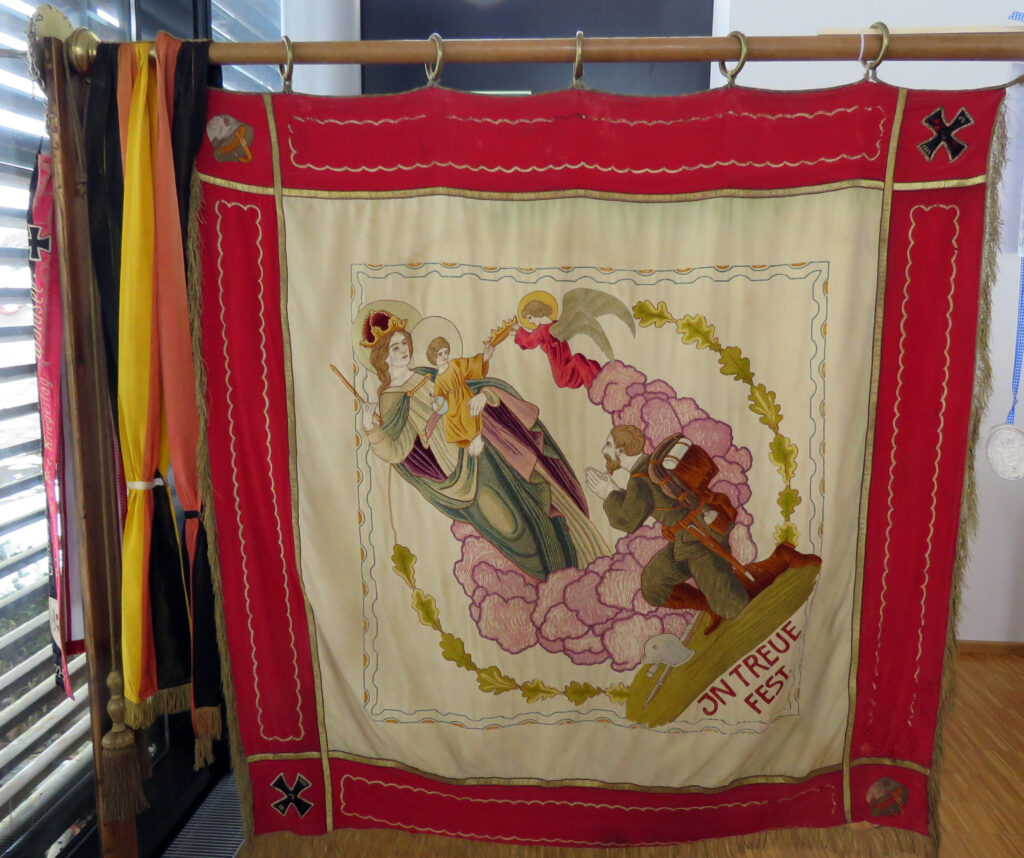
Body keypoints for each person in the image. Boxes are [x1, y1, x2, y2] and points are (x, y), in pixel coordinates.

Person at [359, 310, 608, 581]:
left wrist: (484, 395)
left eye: (404, 343)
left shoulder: (426, 373)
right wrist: (370, 428)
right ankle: (555, 578)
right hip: (461, 469)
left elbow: (469, 386)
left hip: (486, 441)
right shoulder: (392, 400)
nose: (404, 350)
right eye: (395, 347)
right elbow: (397, 450)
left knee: (534, 499)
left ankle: (572, 566)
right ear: (383, 357)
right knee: (512, 528)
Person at [425, 335, 493, 458]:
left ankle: (476, 442)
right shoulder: (439, 379)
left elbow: (469, 365)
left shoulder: (455, 364)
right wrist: (435, 401)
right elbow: (440, 398)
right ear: (434, 358)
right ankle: (469, 446)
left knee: (471, 421)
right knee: (459, 430)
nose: (444, 356)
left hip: (465, 399)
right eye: (440, 354)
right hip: (452, 409)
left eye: (446, 352)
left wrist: (484, 358)